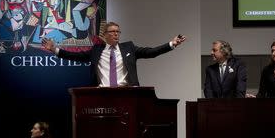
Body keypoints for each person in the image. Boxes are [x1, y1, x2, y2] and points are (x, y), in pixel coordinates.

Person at [42, 21, 186, 87]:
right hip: (102, 94)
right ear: (105, 35)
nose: (116, 34)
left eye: (118, 31)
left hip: (126, 92)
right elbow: (76, 56)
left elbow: (151, 52)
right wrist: (55, 49)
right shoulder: (97, 50)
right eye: (113, 31)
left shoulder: (128, 48)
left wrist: (171, 44)